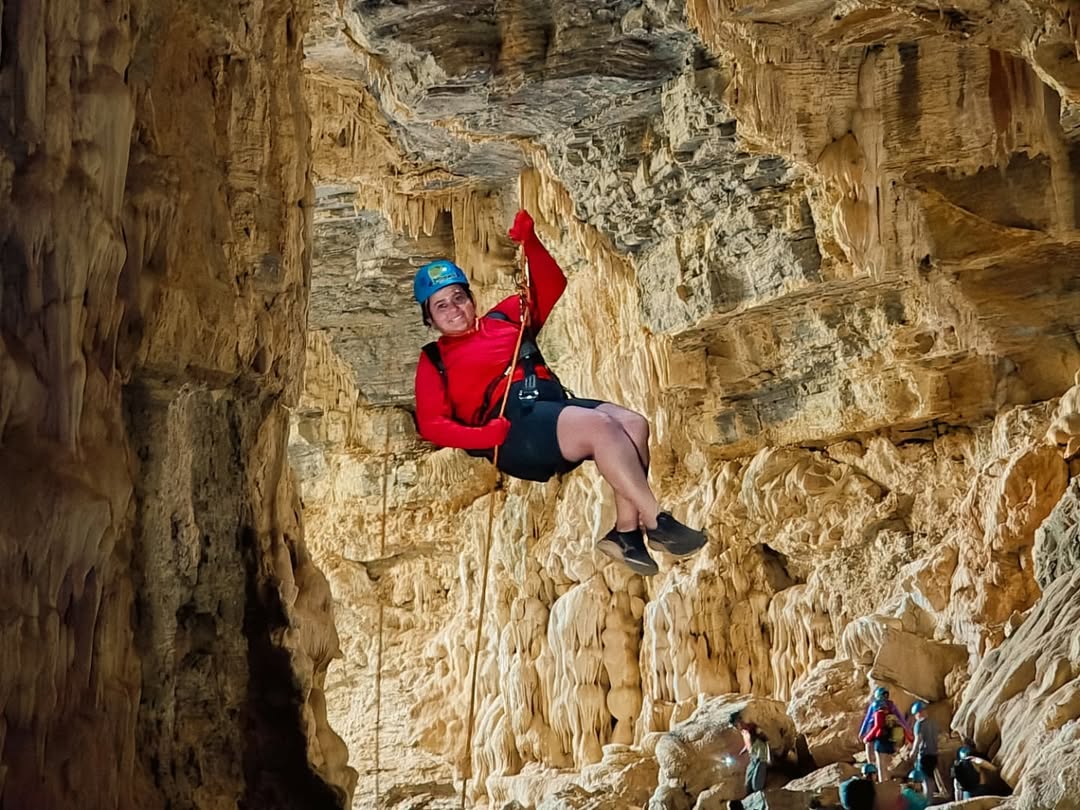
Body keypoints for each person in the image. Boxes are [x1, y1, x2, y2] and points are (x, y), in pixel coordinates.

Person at [412, 210, 707, 576]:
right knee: (602, 427)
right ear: (430, 318)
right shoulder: (435, 360)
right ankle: (658, 522)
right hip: (512, 432)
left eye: (458, 297)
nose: (454, 309)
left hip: (549, 406)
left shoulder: (504, 318)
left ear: (470, 297)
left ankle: (626, 533)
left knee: (634, 424)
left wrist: (529, 242)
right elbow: (431, 425)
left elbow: (552, 283)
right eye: (441, 305)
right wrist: (483, 436)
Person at [858, 686, 911, 782]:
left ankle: (874, 774)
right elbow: (900, 718)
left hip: (875, 734)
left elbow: (868, 720)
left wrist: (863, 733)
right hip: (889, 737)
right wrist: (907, 730)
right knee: (885, 763)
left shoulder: (875, 705)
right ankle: (884, 779)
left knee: (877, 759)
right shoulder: (891, 705)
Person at [731, 712, 770, 795]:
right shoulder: (743, 732)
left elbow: (765, 739)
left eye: (736, 724)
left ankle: (759, 794)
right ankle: (751, 793)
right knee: (748, 782)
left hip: (760, 756)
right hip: (753, 756)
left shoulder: (752, 728)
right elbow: (748, 743)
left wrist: (759, 739)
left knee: (757, 783)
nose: (736, 727)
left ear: (740, 721)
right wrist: (743, 751)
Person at [909, 701, 940, 798]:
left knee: (924, 779)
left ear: (918, 713)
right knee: (931, 777)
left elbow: (918, 739)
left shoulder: (919, 724)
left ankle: (927, 801)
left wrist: (913, 752)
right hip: (934, 754)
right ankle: (930, 797)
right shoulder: (933, 723)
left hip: (924, 755)